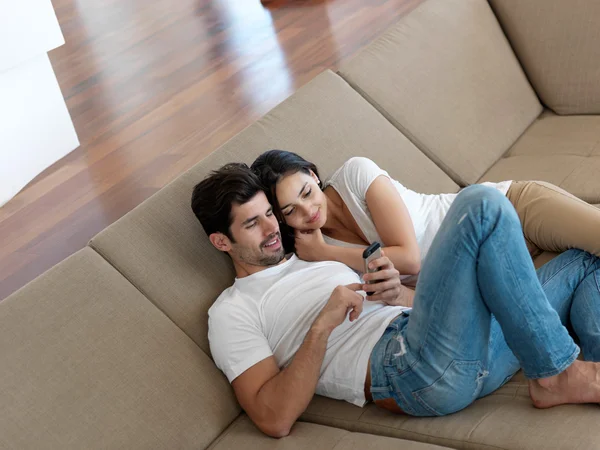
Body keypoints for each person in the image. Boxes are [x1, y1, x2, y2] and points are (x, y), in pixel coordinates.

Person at [191, 162, 600, 439]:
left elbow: (422, 302)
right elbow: (272, 417)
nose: (271, 228)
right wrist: (322, 325)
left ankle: (584, 364)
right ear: (221, 241)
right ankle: (557, 373)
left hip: (460, 346)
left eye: (268, 214)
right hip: (412, 369)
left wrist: (397, 291)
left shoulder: (312, 251)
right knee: (480, 203)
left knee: (584, 261)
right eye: (252, 223)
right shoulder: (232, 310)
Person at [251, 151, 600, 284]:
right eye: (289, 212)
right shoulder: (310, 249)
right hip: (493, 268)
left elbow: (409, 259)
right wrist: (322, 252)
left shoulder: (356, 175)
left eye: (306, 193)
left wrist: (327, 253)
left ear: (313, 174)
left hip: (507, 208)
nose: (308, 212)